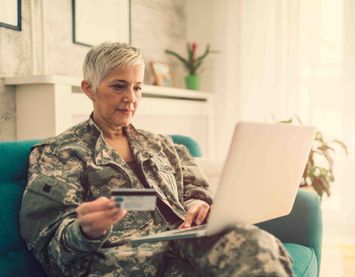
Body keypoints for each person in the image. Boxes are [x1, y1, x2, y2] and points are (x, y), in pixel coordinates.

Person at [19, 42, 293, 276]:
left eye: (137, 88)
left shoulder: (161, 144)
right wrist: (86, 230)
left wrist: (197, 203)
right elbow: (49, 249)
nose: (130, 98)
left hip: (182, 242)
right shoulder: (60, 153)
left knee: (255, 243)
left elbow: (196, 190)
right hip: (123, 261)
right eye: (118, 86)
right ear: (89, 89)